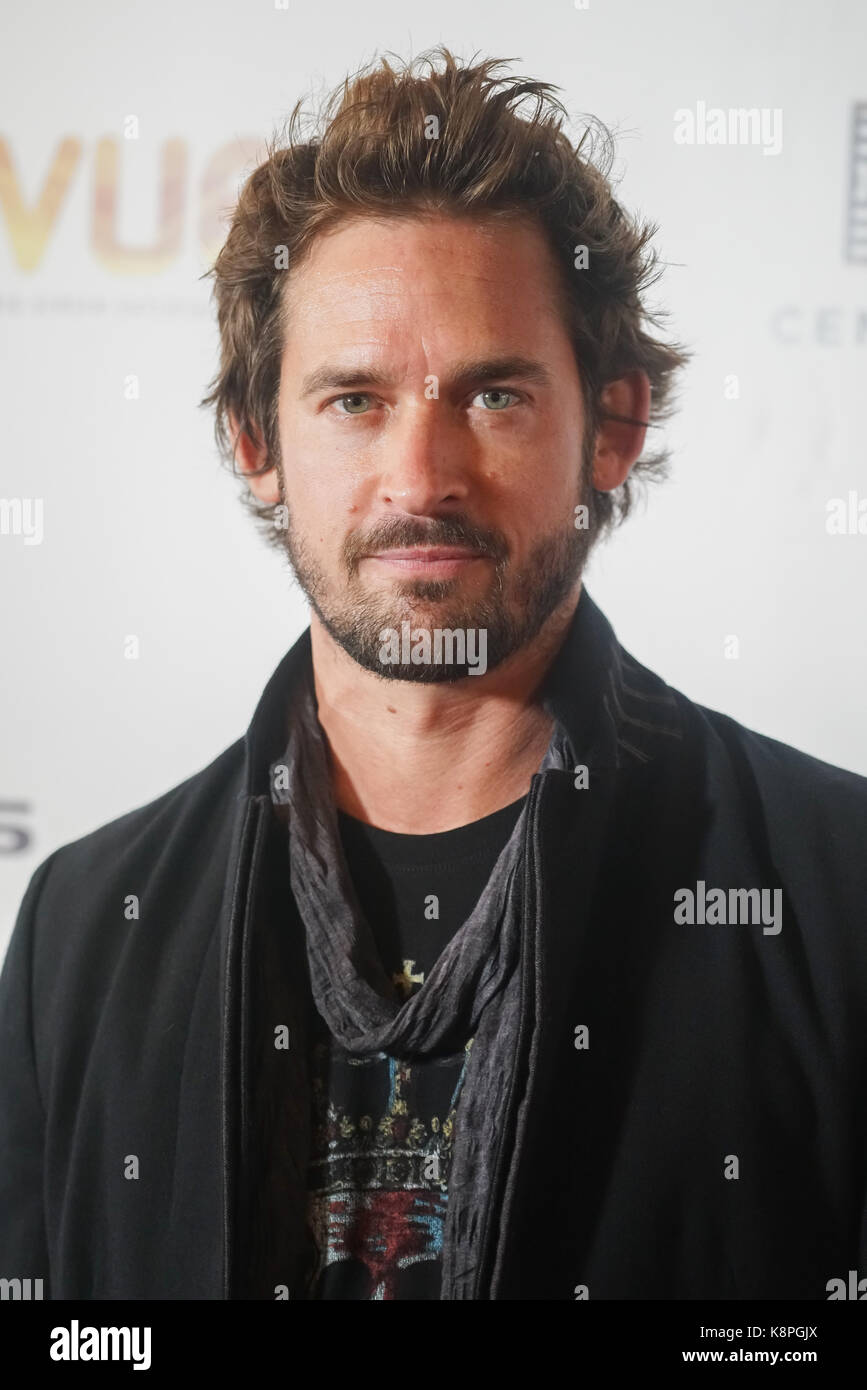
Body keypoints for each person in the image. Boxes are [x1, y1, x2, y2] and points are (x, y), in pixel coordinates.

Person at [1, 46, 865, 1302]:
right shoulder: (83, 935)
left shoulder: (836, 898)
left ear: (610, 428)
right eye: (352, 400)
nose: (421, 477)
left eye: (495, 394)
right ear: (256, 442)